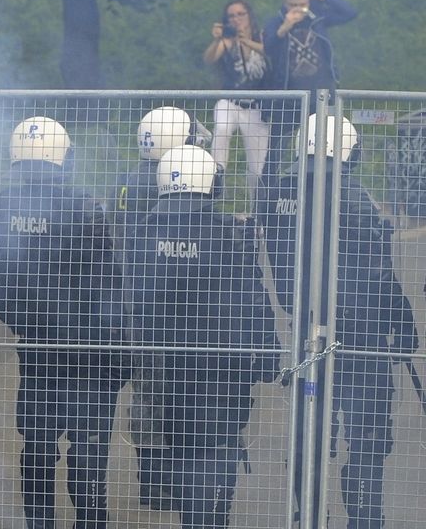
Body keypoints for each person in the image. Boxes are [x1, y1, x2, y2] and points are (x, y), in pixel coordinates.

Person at [257, 115, 417, 528]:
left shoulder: (281, 190)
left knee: (309, 434)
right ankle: (364, 519)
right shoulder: (351, 194)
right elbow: (377, 273)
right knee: (367, 437)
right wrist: (403, 321)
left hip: (304, 328)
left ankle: (307, 515)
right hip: (359, 334)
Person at [125, 144, 279, 528]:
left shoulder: (144, 230)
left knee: (183, 450)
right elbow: (252, 295)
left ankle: (192, 520)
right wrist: (268, 351)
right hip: (223, 365)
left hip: (169, 365)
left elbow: (132, 297)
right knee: (220, 448)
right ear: (211, 182)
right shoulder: (229, 230)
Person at [0, 117, 126, 529]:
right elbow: (111, 287)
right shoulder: (85, 208)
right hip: (89, 355)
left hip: (36, 349)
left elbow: (3, 300)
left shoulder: (2, 207)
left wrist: (36, 322)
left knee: (38, 448)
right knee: (88, 450)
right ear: (64, 157)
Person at [109, 105, 192, 511]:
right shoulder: (166, 183)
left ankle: (151, 480)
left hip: (131, 302)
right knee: (170, 394)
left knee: (148, 393)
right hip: (164, 304)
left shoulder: (127, 179)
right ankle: (167, 483)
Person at [260, 0, 357, 181]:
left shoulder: (318, 18)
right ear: (285, 1)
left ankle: (326, 191)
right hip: (288, 97)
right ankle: (266, 198)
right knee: (276, 151)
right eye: (292, 5)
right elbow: (267, 48)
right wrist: (284, 27)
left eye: (302, 4)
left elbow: (349, 13)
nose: (297, 9)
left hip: (321, 95)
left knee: (328, 146)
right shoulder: (276, 21)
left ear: (308, 1)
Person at [202, 0, 271, 195]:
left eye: (241, 14)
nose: (237, 19)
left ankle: (257, 210)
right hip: (230, 101)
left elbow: (272, 53)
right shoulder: (227, 41)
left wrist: (246, 41)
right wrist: (218, 39)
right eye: (231, 16)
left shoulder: (262, 36)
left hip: (256, 106)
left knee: (257, 167)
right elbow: (209, 58)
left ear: (249, 15)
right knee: (222, 130)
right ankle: (216, 176)